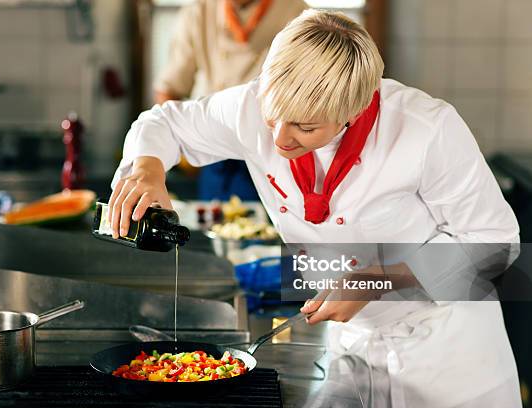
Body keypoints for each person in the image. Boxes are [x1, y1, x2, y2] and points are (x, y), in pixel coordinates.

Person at [108, 10, 521, 407]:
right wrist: (147, 168)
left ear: (353, 111)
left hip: (445, 353)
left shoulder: (426, 128)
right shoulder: (253, 107)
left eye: (306, 127)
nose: (281, 140)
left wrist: (376, 280)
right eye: (273, 118)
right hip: (350, 343)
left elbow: (496, 244)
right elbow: (163, 123)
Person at [154, 0, 307, 201]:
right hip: (215, 150)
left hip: (274, 150)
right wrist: (179, 151)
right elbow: (170, 88)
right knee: (216, 224)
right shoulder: (198, 13)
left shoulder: (298, 14)